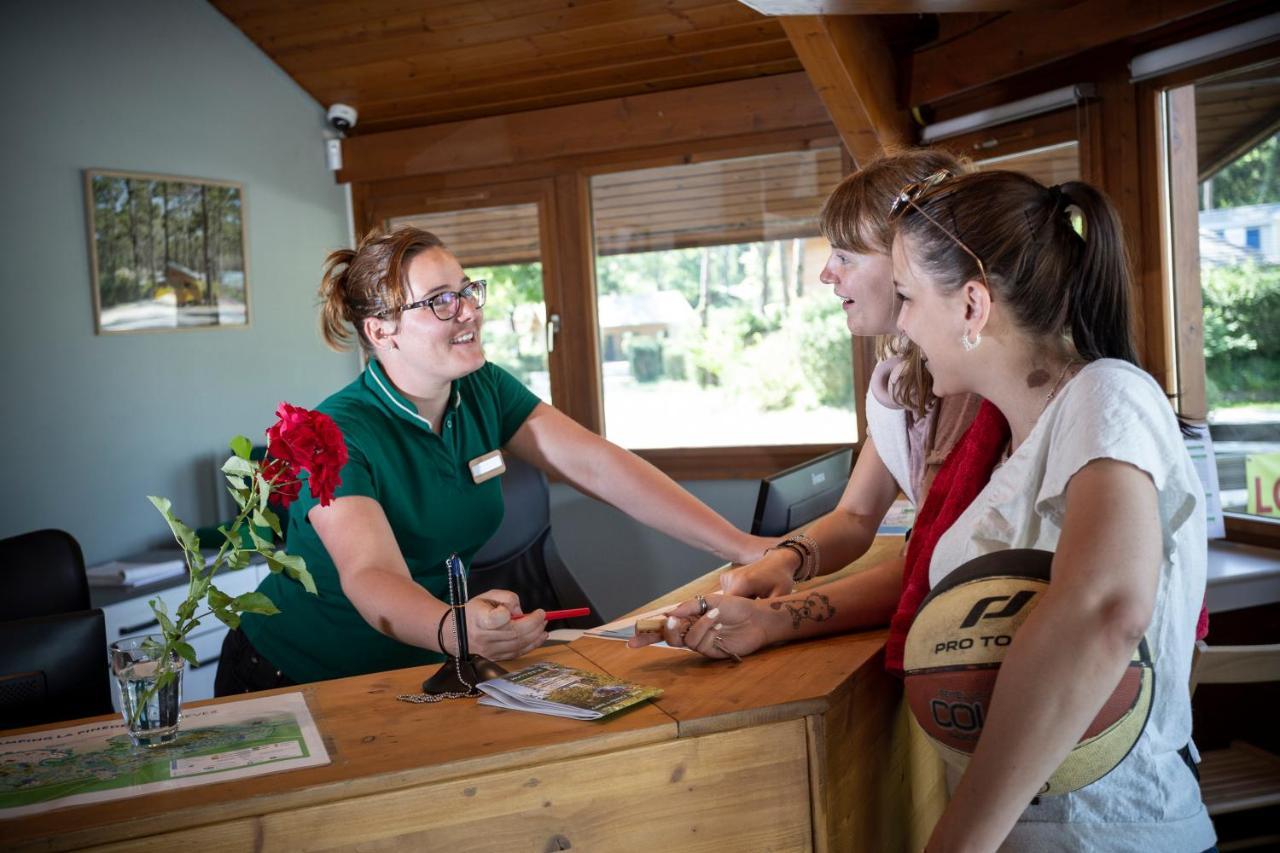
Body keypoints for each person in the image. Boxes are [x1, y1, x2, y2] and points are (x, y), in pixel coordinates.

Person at [659, 170, 1216, 851]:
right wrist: (775, 618)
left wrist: (958, 842)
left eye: (908, 296)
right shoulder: (1009, 439)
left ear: (972, 306)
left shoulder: (1107, 395)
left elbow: (1103, 611)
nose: (901, 322)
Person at [214, 227, 773, 693]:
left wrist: (744, 548)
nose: (468, 313)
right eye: (440, 301)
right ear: (381, 330)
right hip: (292, 671)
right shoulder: (329, 433)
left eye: (468, 291)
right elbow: (371, 572)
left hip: (412, 667)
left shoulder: (480, 388)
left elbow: (600, 466)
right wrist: (455, 630)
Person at [634, 148, 980, 658]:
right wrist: (787, 560)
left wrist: (772, 619)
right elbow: (859, 514)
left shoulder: (969, 387)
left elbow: (935, 563)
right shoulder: (903, 373)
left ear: (911, 257)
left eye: (845, 255)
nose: (827, 274)